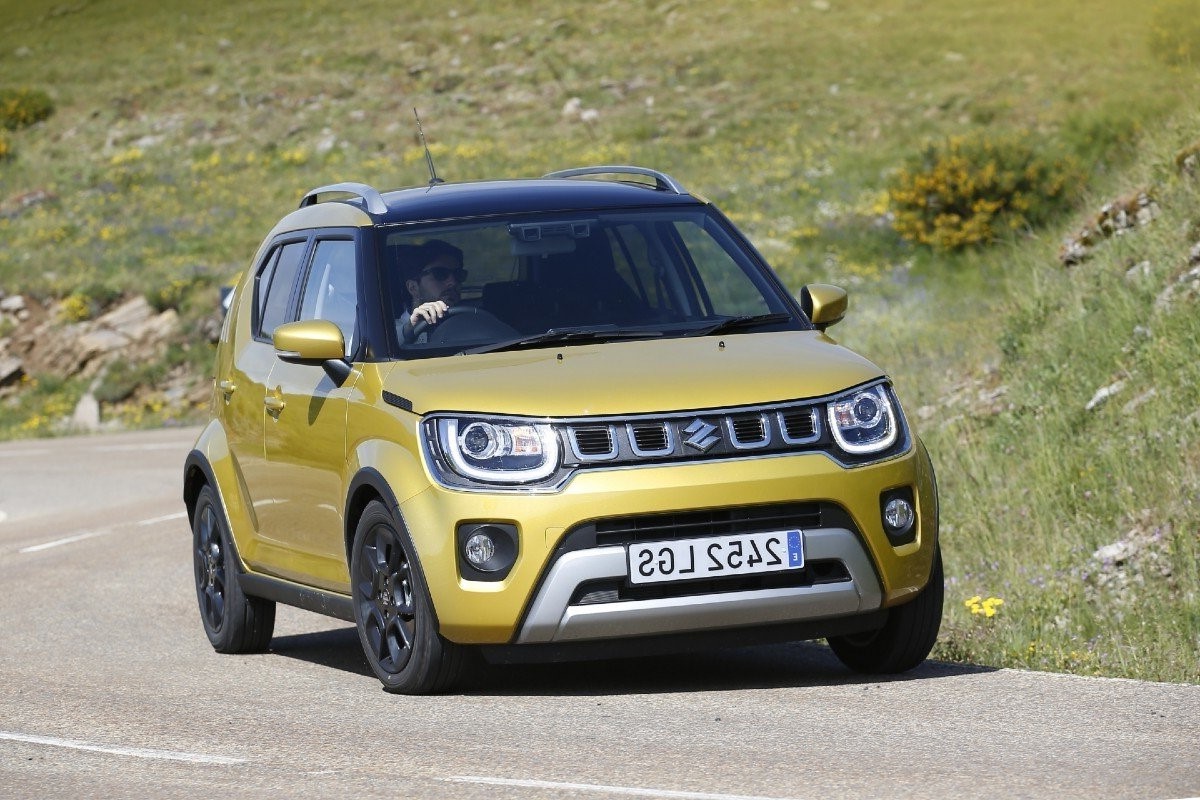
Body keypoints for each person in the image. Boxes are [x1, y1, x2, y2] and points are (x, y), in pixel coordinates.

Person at [399, 239, 466, 342]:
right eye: (440, 274)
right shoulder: (387, 332)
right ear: (413, 287)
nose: (453, 282)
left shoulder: (472, 321)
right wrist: (409, 329)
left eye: (458, 274)